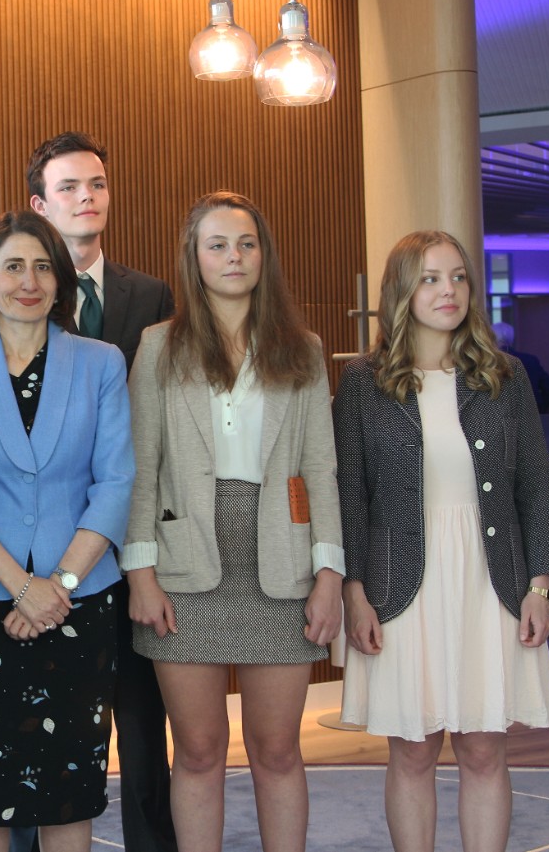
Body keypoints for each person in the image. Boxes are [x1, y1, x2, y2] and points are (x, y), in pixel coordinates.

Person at [125, 191, 343, 852]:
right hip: (183, 564)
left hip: (282, 562)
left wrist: (330, 571)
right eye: (217, 244)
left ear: (264, 256)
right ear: (195, 258)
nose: (234, 256)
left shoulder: (302, 350)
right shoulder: (158, 347)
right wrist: (140, 570)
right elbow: (141, 465)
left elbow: (320, 469)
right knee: (198, 749)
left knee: (278, 750)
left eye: (246, 243)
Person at [335, 230, 549, 852]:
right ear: (402, 291)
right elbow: (349, 497)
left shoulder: (505, 377)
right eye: (432, 278)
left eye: (459, 276)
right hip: (398, 584)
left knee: (485, 746)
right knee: (411, 749)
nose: (449, 291)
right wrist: (354, 593)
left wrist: (540, 586)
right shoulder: (363, 384)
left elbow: (534, 488)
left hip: (491, 580)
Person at [0, 209, 135, 852]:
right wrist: (22, 587)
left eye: (44, 266)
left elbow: (116, 482)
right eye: (13, 265)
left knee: (69, 790)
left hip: (79, 600)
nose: (29, 280)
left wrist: (59, 583)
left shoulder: (100, 362)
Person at [27, 130, 176, 852]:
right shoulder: (15, 295)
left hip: (132, 541)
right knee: (39, 725)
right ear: (38, 204)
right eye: (68, 188)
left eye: (97, 184)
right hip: (42, 551)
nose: (87, 198)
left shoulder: (149, 295)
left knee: (145, 725)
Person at [491, 320, 549, 414]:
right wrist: (539, 410)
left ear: (491, 338)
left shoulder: (488, 363)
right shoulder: (530, 360)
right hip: (530, 417)